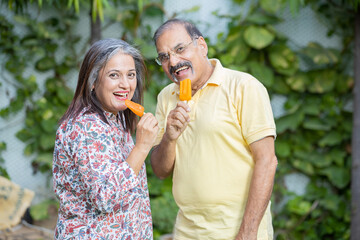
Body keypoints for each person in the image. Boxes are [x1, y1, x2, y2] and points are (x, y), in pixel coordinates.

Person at [150, 19, 278, 240]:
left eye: (180, 49)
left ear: (202, 45)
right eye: (164, 56)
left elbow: (267, 161)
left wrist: (247, 233)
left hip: (237, 230)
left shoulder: (244, 86)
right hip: (187, 231)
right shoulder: (166, 97)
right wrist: (170, 138)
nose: (173, 61)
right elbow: (161, 171)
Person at [52, 38, 158, 239]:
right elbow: (105, 198)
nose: (125, 84)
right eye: (114, 75)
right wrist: (142, 147)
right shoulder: (85, 128)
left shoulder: (115, 119)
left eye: (131, 75)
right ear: (92, 82)